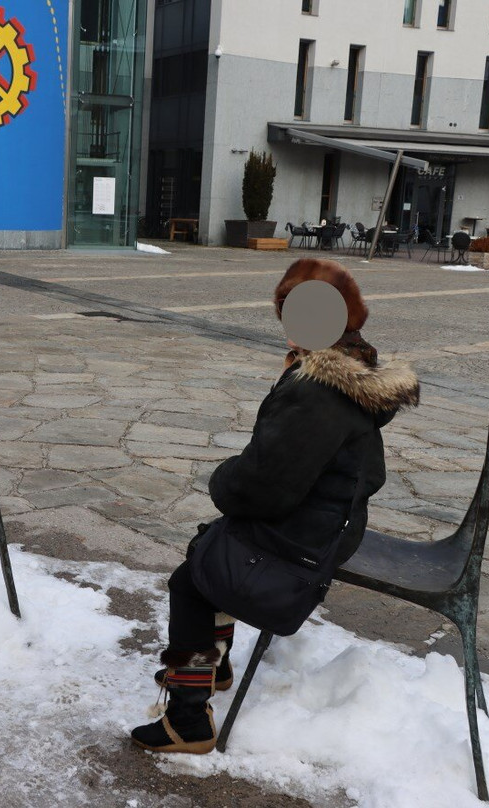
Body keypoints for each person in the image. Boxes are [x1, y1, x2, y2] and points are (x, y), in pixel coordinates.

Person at [131, 258, 420, 754]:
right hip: (327, 521)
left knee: (192, 579)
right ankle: (213, 664)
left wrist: (223, 480)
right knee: (211, 545)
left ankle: (187, 719)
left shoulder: (318, 392)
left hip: (307, 537)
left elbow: (264, 487)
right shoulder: (353, 370)